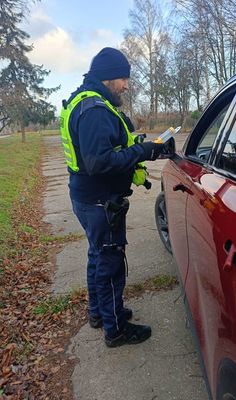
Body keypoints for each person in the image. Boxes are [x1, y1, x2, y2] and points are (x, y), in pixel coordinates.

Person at [60, 47, 167, 347]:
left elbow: (101, 151)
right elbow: (99, 162)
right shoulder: (95, 110)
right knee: (110, 264)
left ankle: (99, 312)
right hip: (100, 202)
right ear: (108, 77)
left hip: (87, 198)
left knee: (97, 256)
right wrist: (141, 152)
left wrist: (134, 145)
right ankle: (116, 328)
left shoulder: (86, 101)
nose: (127, 85)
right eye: (123, 78)